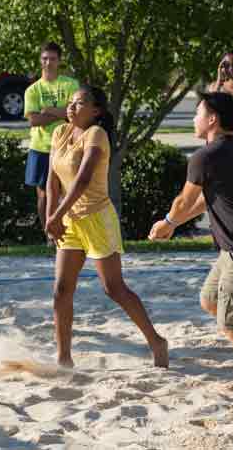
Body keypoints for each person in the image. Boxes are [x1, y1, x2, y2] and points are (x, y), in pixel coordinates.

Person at [149, 92, 233, 397]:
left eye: (198, 112)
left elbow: (184, 200)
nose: (194, 118)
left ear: (212, 120)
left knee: (231, 322)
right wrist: (174, 223)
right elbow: (203, 201)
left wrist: (167, 223)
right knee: (211, 300)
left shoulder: (205, 156)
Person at [46, 85, 169, 369]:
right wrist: (52, 216)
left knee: (113, 288)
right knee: (61, 290)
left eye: (80, 103)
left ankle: (155, 340)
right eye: (71, 103)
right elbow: (52, 180)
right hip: (69, 221)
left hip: (98, 218)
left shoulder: (96, 134)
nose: (72, 107)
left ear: (96, 111)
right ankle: (64, 358)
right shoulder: (59, 133)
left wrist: (56, 215)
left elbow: (83, 179)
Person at [24, 42, 79, 231]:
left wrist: (49, 110)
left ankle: (69, 230)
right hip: (41, 147)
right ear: (40, 61)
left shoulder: (70, 84)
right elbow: (33, 120)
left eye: (52, 59)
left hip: (67, 146)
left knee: (68, 192)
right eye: (45, 58)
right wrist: (60, 113)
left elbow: (75, 114)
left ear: (59, 61)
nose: (48, 63)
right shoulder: (33, 90)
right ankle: (49, 233)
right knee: (44, 195)